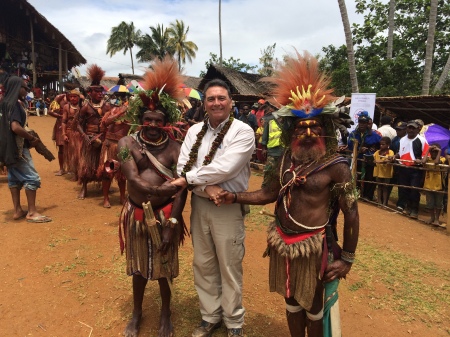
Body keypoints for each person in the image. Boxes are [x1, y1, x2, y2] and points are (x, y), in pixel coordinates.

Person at [216, 51, 359, 337]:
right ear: (291, 130)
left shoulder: (337, 167)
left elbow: (352, 213)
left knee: (314, 308)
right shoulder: (283, 160)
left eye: (315, 126)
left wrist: (347, 258)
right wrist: (235, 197)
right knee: (291, 303)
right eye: (301, 127)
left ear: (325, 128)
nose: (308, 132)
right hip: (283, 243)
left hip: (315, 247)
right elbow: (269, 193)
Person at [171, 78, 255, 337]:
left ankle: (233, 322)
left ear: (230, 102)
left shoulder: (242, 132)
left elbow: (226, 168)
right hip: (201, 203)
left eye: (221, 98)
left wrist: (191, 180)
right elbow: (182, 167)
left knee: (229, 265)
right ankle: (210, 316)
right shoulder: (194, 132)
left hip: (228, 205)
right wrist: (206, 188)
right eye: (211, 99)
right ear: (204, 103)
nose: (216, 102)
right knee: (203, 262)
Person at [117, 57, 187, 337]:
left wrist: (172, 223)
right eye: (147, 120)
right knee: (138, 268)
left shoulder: (176, 148)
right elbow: (133, 179)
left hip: (165, 216)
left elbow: (182, 188)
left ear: (166, 122)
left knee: (164, 267)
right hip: (136, 215)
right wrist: (163, 190)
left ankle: (166, 314)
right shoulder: (125, 144)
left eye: (158, 120)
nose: (152, 125)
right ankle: (136, 313)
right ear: (140, 120)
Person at [0, 75, 52, 222]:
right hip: (18, 148)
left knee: (14, 179)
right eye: (24, 87)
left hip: (7, 148)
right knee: (32, 178)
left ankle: (17, 210)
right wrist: (31, 138)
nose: (26, 90)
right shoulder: (15, 105)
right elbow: (15, 127)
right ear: (17, 88)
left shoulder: (4, 103)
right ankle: (32, 212)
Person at [76, 64, 111, 200]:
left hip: (102, 138)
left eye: (101, 91)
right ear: (90, 93)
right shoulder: (85, 107)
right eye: (97, 92)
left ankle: (104, 188)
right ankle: (84, 188)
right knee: (86, 164)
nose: (100, 94)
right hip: (89, 139)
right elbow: (78, 124)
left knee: (102, 164)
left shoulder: (107, 106)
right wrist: (84, 135)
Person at [97, 90, 130, 207]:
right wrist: (120, 113)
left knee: (122, 174)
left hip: (123, 146)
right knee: (107, 172)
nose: (123, 101)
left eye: (125, 98)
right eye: (120, 98)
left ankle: (122, 197)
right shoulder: (113, 110)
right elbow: (105, 122)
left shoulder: (132, 114)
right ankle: (106, 198)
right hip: (110, 145)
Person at [394, 120, 429, 219]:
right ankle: (406, 207)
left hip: (415, 169)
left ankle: (414, 209)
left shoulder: (422, 140)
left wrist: (421, 160)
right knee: (403, 189)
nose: (410, 130)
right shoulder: (402, 140)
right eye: (409, 127)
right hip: (403, 167)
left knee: (414, 190)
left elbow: (426, 155)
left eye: (413, 128)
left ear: (418, 129)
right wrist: (394, 156)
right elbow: (400, 153)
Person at [348, 113, 382, 201]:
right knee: (357, 177)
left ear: (368, 124)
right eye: (360, 122)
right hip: (358, 159)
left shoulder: (375, 135)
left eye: (364, 122)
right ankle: (357, 193)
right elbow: (350, 146)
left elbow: (381, 146)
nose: (362, 124)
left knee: (370, 178)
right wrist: (359, 148)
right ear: (358, 122)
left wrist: (372, 150)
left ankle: (368, 196)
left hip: (369, 160)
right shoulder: (353, 134)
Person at [422, 144, 446, 226]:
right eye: (433, 152)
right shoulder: (428, 159)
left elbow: (436, 162)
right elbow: (423, 162)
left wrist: (439, 151)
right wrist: (428, 150)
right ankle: (432, 218)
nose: (434, 153)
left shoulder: (442, 159)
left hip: (439, 186)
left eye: (436, 152)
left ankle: (437, 219)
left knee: (438, 204)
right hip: (428, 185)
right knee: (430, 203)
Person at [61, 88, 83, 180]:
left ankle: (81, 172)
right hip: (70, 132)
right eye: (71, 97)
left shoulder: (83, 106)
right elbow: (64, 121)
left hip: (81, 133)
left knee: (80, 153)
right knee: (73, 154)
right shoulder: (66, 107)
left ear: (79, 97)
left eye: (75, 97)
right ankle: (75, 173)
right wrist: (64, 134)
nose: (73, 98)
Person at [373, 137, 394, 207]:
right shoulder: (377, 152)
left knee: (385, 188)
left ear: (388, 145)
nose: (381, 146)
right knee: (379, 187)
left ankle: (385, 203)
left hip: (386, 173)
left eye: (383, 144)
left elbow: (390, 160)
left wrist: (382, 161)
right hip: (378, 172)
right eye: (380, 144)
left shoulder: (390, 152)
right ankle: (379, 202)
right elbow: (373, 158)